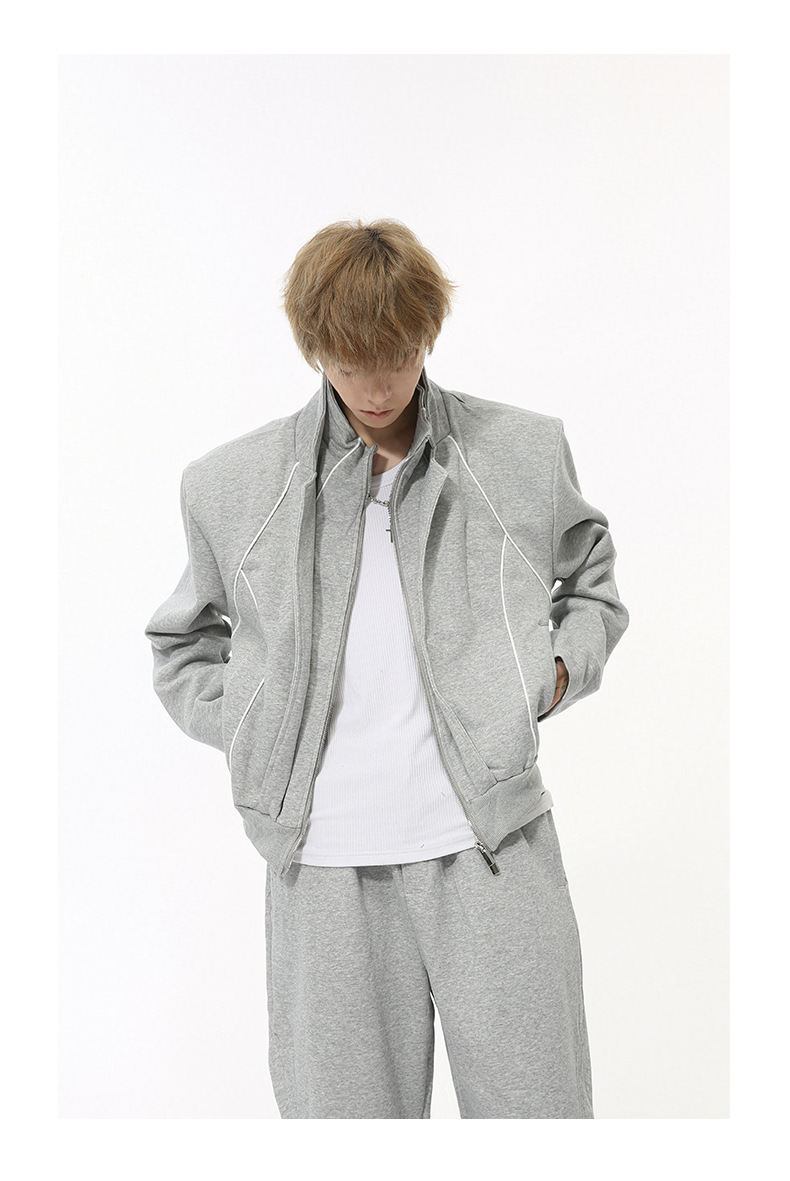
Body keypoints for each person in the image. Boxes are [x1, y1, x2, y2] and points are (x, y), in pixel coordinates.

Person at [144, 218, 630, 1119]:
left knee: (541, 1122)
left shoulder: (518, 452)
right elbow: (182, 642)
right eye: (350, 359)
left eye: (399, 356)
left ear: (427, 335)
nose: (377, 386)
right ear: (314, 348)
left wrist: (551, 676)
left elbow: (591, 584)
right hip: (322, 868)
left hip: (494, 849)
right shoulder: (232, 485)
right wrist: (256, 720)